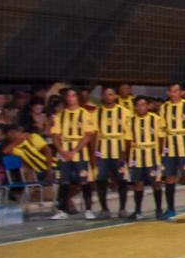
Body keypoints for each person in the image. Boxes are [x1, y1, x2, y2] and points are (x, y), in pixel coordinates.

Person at [49, 87, 96, 220]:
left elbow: (87, 135)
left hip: (79, 151)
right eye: (68, 96)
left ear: (77, 98)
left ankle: (88, 209)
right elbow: (55, 135)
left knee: (84, 181)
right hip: (63, 151)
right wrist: (62, 150)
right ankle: (62, 209)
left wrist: (74, 151)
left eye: (73, 96)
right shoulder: (60, 115)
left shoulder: (85, 114)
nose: (70, 98)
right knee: (63, 182)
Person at [160, 82, 185, 221]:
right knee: (169, 178)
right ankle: (171, 209)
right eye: (171, 91)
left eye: (176, 91)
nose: (174, 93)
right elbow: (161, 128)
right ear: (168, 93)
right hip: (169, 148)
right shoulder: (164, 107)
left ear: (181, 92)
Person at [93, 86, 131, 218]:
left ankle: (122, 208)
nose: (109, 97)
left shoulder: (124, 112)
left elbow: (128, 135)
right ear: (103, 97)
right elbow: (94, 134)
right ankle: (104, 209)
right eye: (106, 94)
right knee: (101, 180)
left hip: (118, 150)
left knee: (121, 181)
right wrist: (94, 154)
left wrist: (125, 153)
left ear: (115, 96)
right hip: (102, 152)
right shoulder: (97, 113)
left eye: (111, 94)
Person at [125, 95, 163, 220]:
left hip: (152, 155)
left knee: (156, 183)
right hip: (136, 155)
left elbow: (161, 139)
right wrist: (127, 159)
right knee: (138, 183)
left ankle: (158, 209)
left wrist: (160, 156)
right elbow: (128, 141)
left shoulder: (156, 119)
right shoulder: (130, 121)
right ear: (135, 107)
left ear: (148, 106)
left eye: (143, 104)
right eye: (138, 105)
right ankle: (138, 210)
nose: (141, 107)